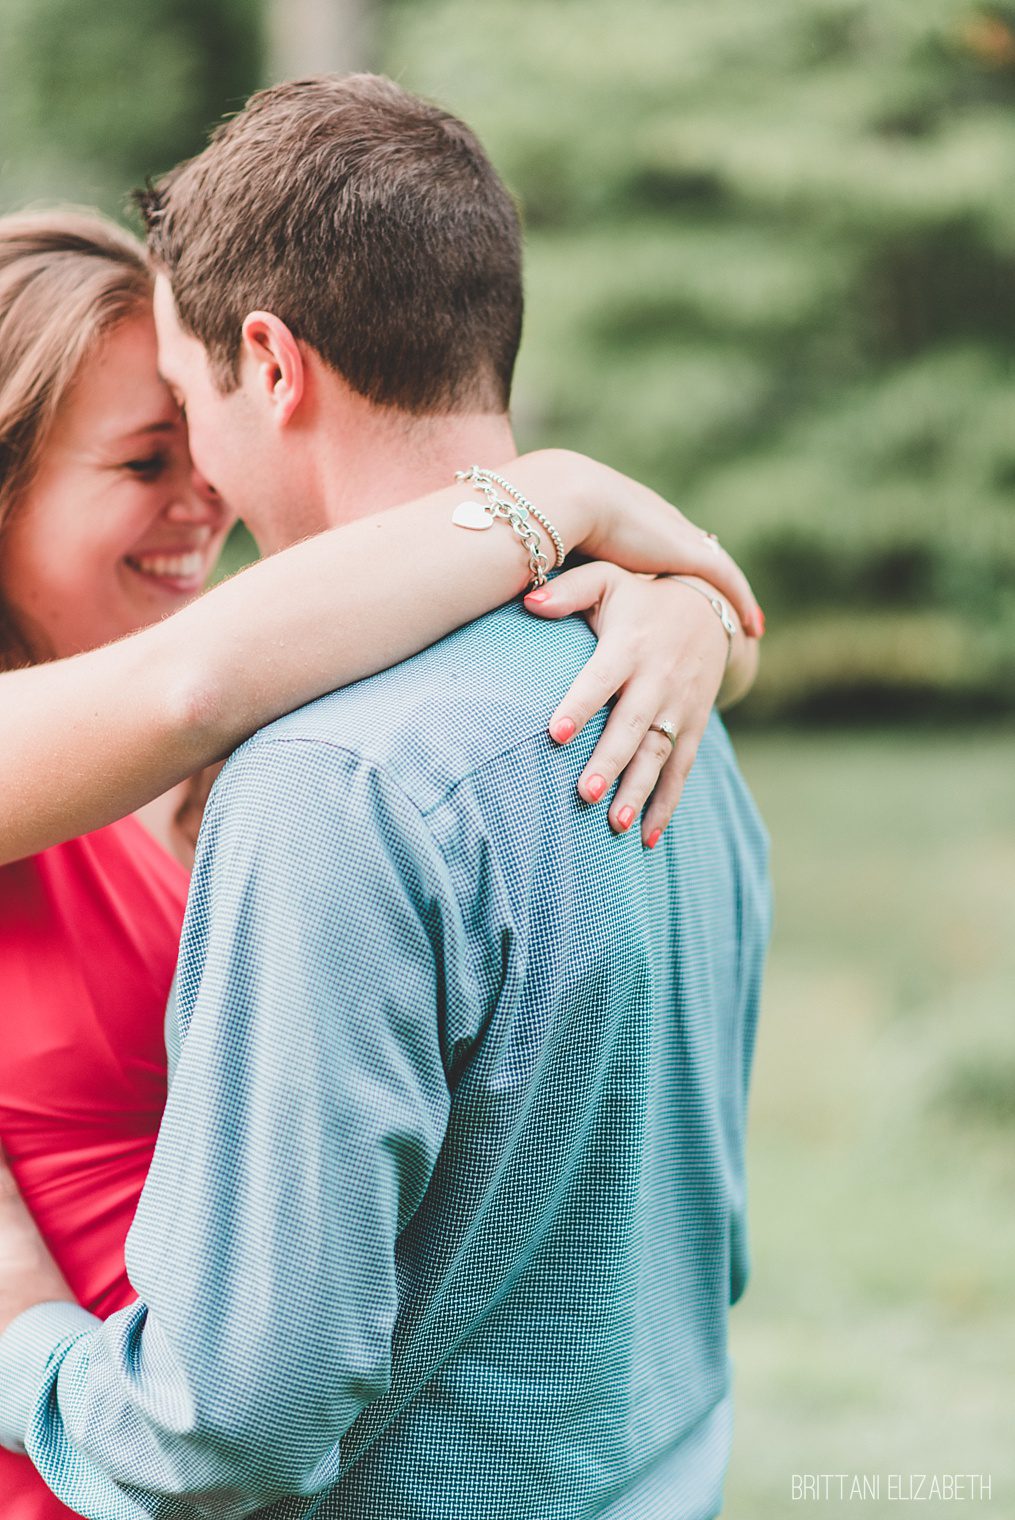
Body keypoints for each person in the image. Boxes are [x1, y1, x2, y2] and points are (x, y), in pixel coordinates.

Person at [0, 77, 770, 1520]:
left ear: (269, 366)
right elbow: (195, 683)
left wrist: (683, 607)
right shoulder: (619, 708)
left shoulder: (342, 756)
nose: (205, 502)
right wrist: (571, 500)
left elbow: (239, 1413)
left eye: (190, 417)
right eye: (141, 455)